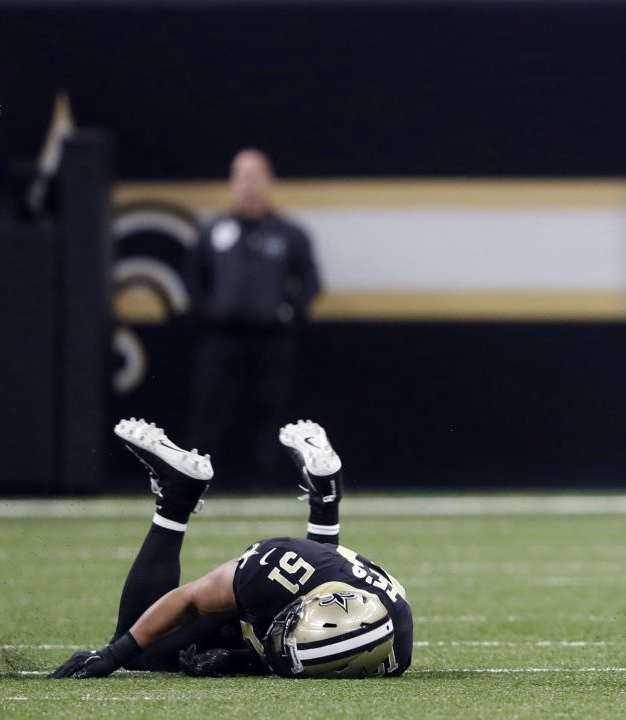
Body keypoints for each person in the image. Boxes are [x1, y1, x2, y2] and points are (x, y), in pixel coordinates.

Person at [48, 417, 412, 679]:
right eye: (283, 633)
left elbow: (297, 653)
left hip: (321, 578)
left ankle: (326, 495)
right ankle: (179, 495)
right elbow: (189, 598)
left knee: (272, 617)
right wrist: (113, 655)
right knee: (141, 653)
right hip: (294, 576)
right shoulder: (270, 572)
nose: (275, 642)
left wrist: (242, 660)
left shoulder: (388, 649)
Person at [186, 149, 322, 487]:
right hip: (222, 337)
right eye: (241, 176)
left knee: (270, 410)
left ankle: (265, 481)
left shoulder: (289, 234)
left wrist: (288, 312)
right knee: (211, 408)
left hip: (271, 338)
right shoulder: (214, 231)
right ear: (232, 183)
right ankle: (199, 482)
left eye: (255, 176)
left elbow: (310, 281)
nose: (248, 184)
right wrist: (208, 312)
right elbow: (193, 278)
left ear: (269, 181)